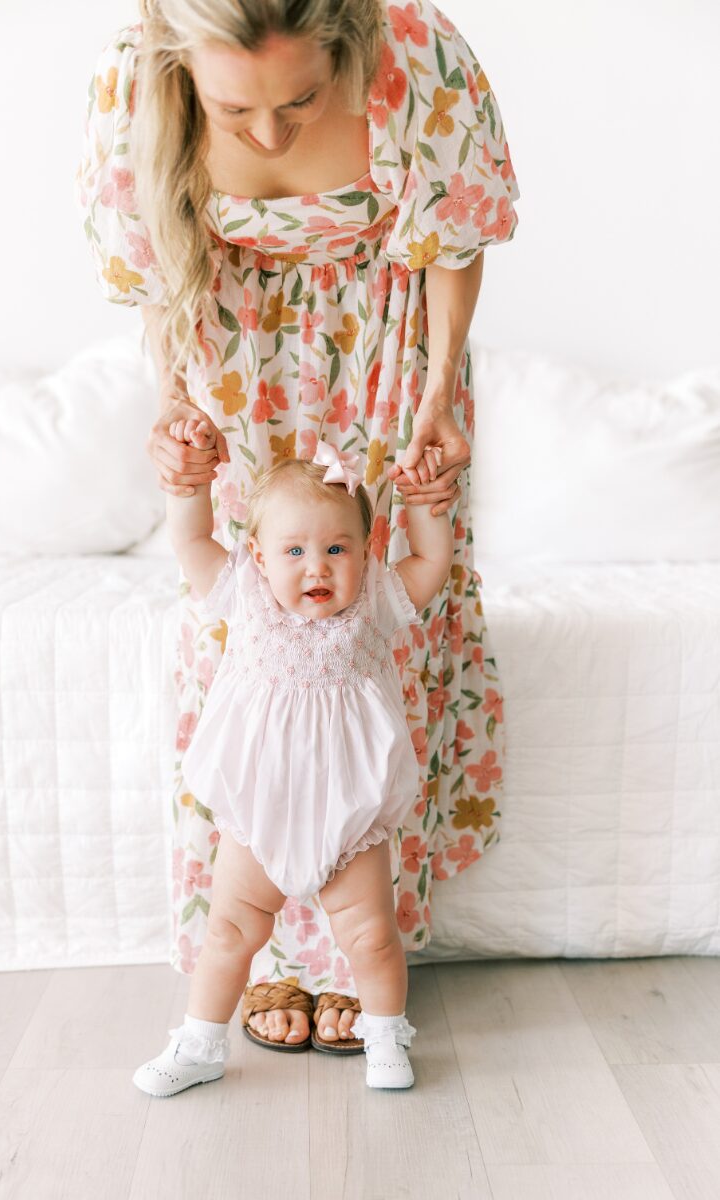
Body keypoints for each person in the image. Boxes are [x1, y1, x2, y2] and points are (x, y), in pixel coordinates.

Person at [78, 0, 515, 1054]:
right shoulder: (134, 73)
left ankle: (359, 954)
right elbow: (150, 268)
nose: (269, 137)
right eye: (236, 110)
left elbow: (453, 233)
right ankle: (266, 949)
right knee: (255, 631)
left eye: (301, 100)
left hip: (382, 344)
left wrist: (437, 394)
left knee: (366, 623)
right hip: (231, 348)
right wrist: (178, 396)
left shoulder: (413, 45)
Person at [135, 432, 449, 1096]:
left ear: (365, 554)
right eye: (295, 551)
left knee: (372, 936)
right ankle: (200, 1042)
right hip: (259, 810)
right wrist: (188, 490)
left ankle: (386, 1035)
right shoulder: (243, 594)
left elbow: (430, 562)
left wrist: (427, 503)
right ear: (259, 556)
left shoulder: (374, 602)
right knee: (228, 929)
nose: (317, 568)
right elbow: (192, 543)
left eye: (337, 549)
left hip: (348, 809)